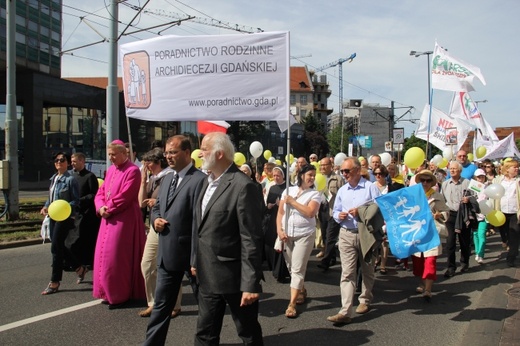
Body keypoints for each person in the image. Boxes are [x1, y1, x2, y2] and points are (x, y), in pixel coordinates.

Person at [193, 132, 264, 345]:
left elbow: (251, 238)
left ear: (219, 153)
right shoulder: (205, 183)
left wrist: (250, 284)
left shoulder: (243, 186)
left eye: (205, 149)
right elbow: (201, 228)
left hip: (235, 278)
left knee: (248, 333)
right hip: (207, 274)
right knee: (204, 333)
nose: (200, 153)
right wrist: (195, 260)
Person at [143, 136, 206, 345]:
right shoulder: (168, 178)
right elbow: (158, 206)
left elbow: (200, 221)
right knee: (161, 305)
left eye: (173, 152)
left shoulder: (200, 180)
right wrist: (155, 220)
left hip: (191, 255)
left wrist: (196, 258)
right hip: (167, 253)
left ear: (187, 153)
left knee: (205, 306)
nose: (168, 156)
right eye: (167, 153)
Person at [327, 157, 381, 325]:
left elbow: (380, 208)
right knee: (347, 273)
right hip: (346, 234)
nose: (344, 174)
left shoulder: (371, 188)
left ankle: (365, 299)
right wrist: (339, 216)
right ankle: (345, 311)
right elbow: (335, 212)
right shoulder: (343, 190)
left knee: (367, 269)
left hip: (366, 234)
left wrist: (361, 211)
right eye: (342, 171)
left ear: (358, 171)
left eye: (347, 171)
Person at [93, 140, 146, 308]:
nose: (111, 157)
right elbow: (100, 192)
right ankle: (106, 292)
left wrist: (110, 207)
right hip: (107, 217)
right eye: (109, 154)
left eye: (114, 154)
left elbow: (127, 195)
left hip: (124, 219)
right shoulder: (110, 171)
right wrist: (100, 207)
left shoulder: (133, 171)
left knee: (117, 257)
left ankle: (119, 294)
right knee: (103, 256)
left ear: (124, 154)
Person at [276, 164, 321, 318]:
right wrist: (279, 230)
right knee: (290, 266)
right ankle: (300, 289)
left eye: (314, 175)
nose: (312, 178)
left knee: (297, 269)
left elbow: (310, 212)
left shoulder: (315, 194)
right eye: (310, 174)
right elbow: (280, 213)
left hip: (305, 235)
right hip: (287, 234)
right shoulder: (288, 190)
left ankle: (292, 304)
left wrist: (293, 202)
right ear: (301, 175)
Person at [137, 148, 174, 318]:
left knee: (170, 265)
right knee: (147, 264)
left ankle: (175, 304)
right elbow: (141, 204)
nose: (146, 166)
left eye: (148, 163)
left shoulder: (170, 176)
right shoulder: (152, 179)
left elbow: (174, 200)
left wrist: (157, 201)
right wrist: (143, 181)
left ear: (158, 162)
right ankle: (153, 302)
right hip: (153, 225)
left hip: (168, 226)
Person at [40, 152, 82, 295]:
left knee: (55, 248)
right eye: (56, 160)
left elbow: (76, 200)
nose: (59, 162)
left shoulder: (71, 180)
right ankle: (79, 267)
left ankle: (55, 281)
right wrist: (46, 206)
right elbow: (50, 199)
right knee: (59, 246)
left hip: (65, 218)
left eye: (62, 160)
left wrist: (64, 207)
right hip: (53, 216)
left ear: (68, 163)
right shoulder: (54, 179)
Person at [412, 170, 449, 301]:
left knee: (430, 261)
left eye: (428, 181)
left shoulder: (437, 196)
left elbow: (446, 212)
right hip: (417, 233)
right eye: (423, 180)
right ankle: (422, 282)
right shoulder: (414, 196)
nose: (425, 183)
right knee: (418, 262)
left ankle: (428, 289)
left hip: (432, 232)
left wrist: (440, 215)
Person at [69, 152, 100, 270]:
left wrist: (81, 200)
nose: (72, 164)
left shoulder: (90, 176)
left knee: (85, 238)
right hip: (75, 212)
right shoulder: (72, 176)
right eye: (72, 161)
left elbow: (94, 194)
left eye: (75, 161)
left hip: (87, 213)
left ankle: (88, 262)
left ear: (82, 161)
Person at [441, 161, 472, 278]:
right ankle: (451, 267)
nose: (452, 170)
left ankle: (464, 262)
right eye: (450, 169)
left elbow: (474, 196)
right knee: (450, 242)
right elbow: (442, 200)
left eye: (455, 169)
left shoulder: (467, 182)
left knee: (464, 241)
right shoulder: (445, 184)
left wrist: (468, 200)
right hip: (450, 215)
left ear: (460, 171)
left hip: (463, 214)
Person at [263, 166, 289, 282]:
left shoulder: (288, 188)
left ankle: (281, 271)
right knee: (271, 243)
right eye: (274, 176)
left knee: (281, 245)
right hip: (272, 217)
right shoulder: (272, 188)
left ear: (283, 176)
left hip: (283, 218)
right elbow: (268, 203)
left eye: (278, 175)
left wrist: (281, 205)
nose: (275, 178)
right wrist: (269, 206)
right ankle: (273, 266)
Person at [317, 157, 344, 271]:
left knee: (330, 237)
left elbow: (342, 195)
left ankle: (325, 262)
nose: (322, 167)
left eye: (325, 165)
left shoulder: (337, 178)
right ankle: (332, 257)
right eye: (321, 165)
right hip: (321, 209)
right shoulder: (317, 178)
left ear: (330, 165)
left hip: (333, 210)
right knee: (324, 235)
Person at [493, 159, 520, 267]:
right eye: (515, 167)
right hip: (501, 212)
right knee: (506, 235)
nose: (517, 169)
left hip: (515, 212)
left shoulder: (518, 181)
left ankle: (511, 258)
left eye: (517, 167)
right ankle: (510, 246)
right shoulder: (499, 181)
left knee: (514, 234)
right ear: (507, 169)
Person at [372, 165, 390, 274]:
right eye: (376, 174)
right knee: (374, 241)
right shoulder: (371, 186)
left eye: (381, 174)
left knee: (384, 242)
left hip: (386, 217)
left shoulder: (389, 187)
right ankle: (375, 261)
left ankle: (383, 264)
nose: (378, 176)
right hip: (374, 216)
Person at [472, 169, 489, 264]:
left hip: (484, 215)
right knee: (475, 235)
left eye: (482, 176)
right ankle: (477, 252)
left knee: (481, 234)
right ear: (475, 178)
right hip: (474, 215)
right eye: (478, 177)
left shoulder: (488, 187)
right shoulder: (473, 187)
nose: (480, 179)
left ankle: (481, 254)